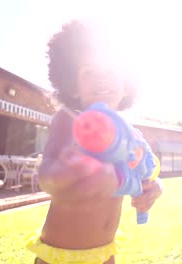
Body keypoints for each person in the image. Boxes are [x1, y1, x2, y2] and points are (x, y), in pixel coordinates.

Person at [26, 20, 163, 264]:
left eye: (110, 71)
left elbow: (145, 173)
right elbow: (46, 172)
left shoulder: (131, 135)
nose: (102, 79)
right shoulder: (71, 120)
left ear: (126, 85)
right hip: (61, 255)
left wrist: (154, 189)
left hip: (104, 253)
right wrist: (66, 173)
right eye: (89, 72)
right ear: (72, 86)